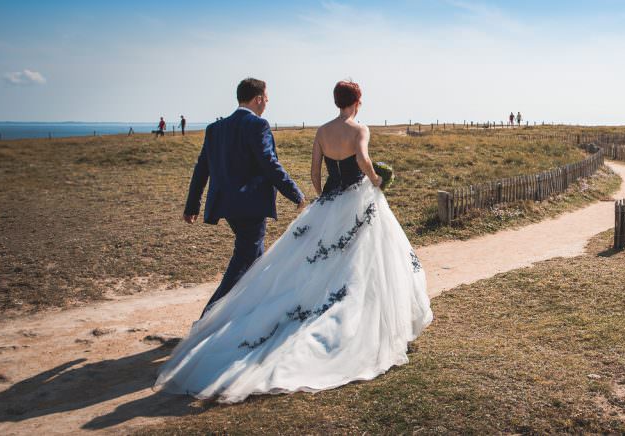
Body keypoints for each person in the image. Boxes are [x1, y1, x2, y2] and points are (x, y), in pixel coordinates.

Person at [156, 79, 432, 404]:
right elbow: (359, 161)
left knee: (272, 260)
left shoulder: (313, 131)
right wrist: (374, 180)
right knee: (350, 259)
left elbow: (315, 168)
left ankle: (230, 315)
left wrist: (319, 197)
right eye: (266, 97)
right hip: (347, 198)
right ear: (357, 101)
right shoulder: (358, 130)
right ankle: (220, 318)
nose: (267, 101)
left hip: (313, 201)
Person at [181, 77, 306, 317]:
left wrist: (192, 205)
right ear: (258, 98)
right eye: (266, 99)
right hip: (250, 205)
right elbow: (269, 163)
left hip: (226, 205)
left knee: (256, 261)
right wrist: (295, 193)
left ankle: (251, 315)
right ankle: (207, 319)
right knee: (244, 260)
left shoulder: (215, 129)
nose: (267, 103)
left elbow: (202, 168)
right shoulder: (257, 125)